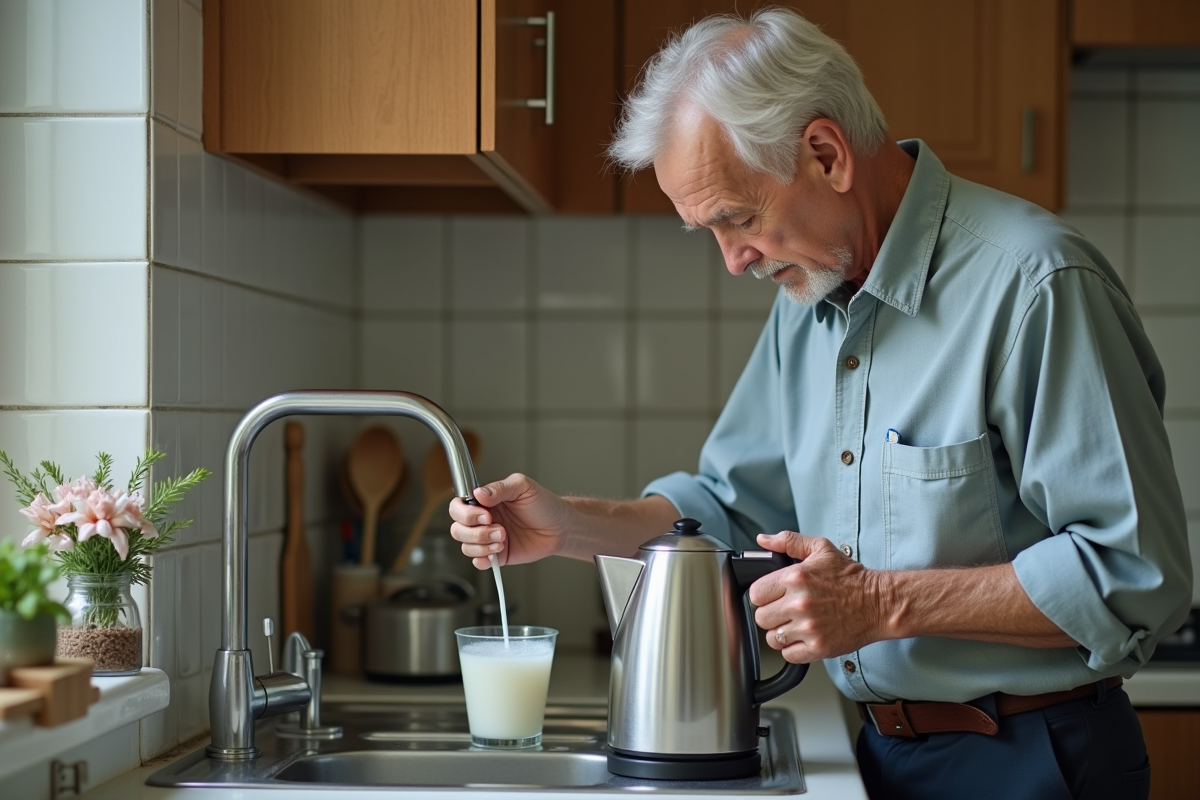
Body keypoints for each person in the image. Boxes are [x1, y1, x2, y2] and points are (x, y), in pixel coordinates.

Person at [448, 8, 1191, 799]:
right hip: (883, 752)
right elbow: (731, 510)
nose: (733, 261)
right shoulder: (808, 304)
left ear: (826, 155)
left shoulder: (1035, 285)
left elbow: (1132, 575)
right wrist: (568, 526)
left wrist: (879, 603)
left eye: (738, 219)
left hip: (1031, 759)